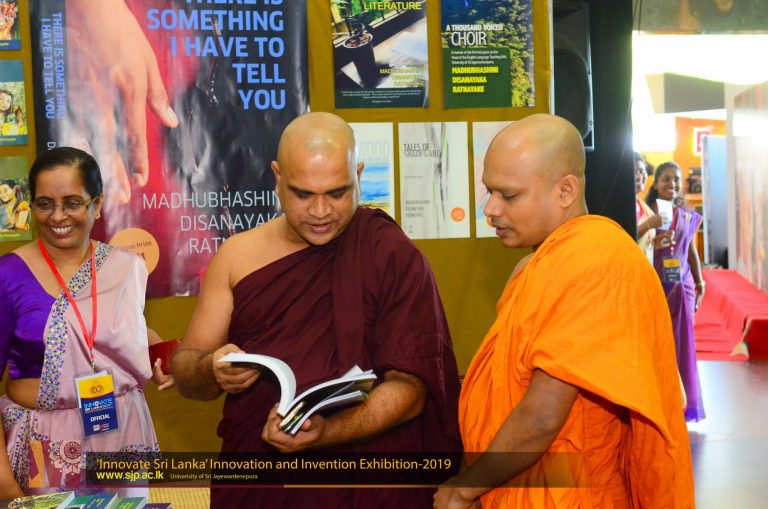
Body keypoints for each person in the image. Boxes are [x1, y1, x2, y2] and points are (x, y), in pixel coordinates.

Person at [171, 112, 461, 508]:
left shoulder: (390, 253)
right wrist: (211, 369)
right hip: (262, 479)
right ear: (277, 178)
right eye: (303, 194)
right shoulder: (237, 256)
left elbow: (411, 389)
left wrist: (327, 431)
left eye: (338, 193)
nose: (321, 211)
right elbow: (187, 369)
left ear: (358, 175)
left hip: (366, 484)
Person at [434, 114, 694, 508]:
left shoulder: (595, 264)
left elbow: (541, 416)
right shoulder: (537, 265)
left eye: (509, 195)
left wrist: (465, 487)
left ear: (566, 190)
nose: (490, 209)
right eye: (489, 191)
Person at [0, 147, 171, 498]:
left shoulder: (125, 268)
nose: (57, 216)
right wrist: (6, 486)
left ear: (98, 203)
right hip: (46, 440)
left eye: (72, 202)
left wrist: (164, 356)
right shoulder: (8, 276)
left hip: (119, 431)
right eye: (45, 203)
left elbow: (128, 331)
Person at [646, 161, 706, 422]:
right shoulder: (647, 212)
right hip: (656, 285)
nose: (672, 184)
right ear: (656, 183)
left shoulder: (685, 214)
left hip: (684, 286)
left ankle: (684, 405)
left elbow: (691, 250)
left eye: (676, 179)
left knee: (684, 343)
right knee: (661, 344)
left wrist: (701, 283)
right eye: (666, 179)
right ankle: (662, 402)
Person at [634, 152, 661, 264]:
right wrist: (649, 224)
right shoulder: (619, 206)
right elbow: (624, 239)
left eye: (641, 171)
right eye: (634, 172)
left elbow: (644, 241)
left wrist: (657, 242)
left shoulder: (643, 206)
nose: (639, 176)